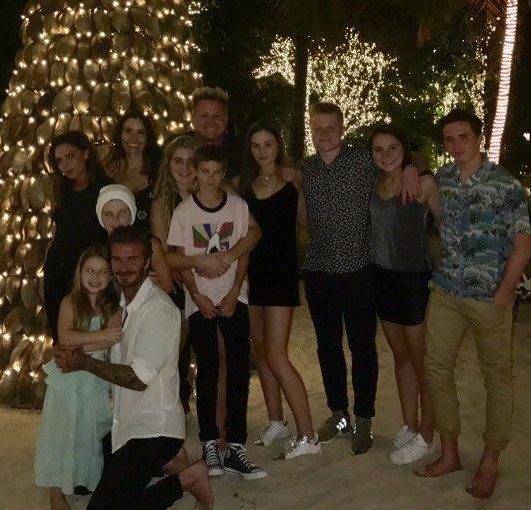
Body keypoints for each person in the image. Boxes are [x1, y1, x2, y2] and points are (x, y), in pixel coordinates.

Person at [55, 226, 213, 510]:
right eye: (118, 259)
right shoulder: (123, 304)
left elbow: (138, 379)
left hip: (153, 430)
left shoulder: (156, 310)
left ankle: (186, 479)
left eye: (132, 259)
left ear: (147, 261)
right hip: (124, 425)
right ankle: (161, 467)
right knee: (87, 483)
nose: (124, 267)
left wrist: (83, 363)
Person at [416, 109, 531, 499]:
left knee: (496, 377)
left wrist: (502, 296)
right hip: (447, 290)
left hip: (488, 297)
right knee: (435, 368)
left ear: (478, 138)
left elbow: (522, 244)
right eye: (449, 139)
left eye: (463, 137)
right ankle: (450, 450)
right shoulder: (443, 180)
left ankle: (491, 459)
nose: (456, 145)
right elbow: (420, 191)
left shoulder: (506, 185)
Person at [298, 102, 420, 455]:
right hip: (319, 269)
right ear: (310, 129)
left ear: (342, 127)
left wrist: (412, 165)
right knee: (327, 346)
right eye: (317, 128)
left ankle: (364, 416)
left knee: (363, 347)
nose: (324, 134)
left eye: (330, 127)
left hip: (359, 269)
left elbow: (406, 159)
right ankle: (339, 414)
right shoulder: (305, 168)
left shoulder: (364, 160)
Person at [167, 145, 266, 479]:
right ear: (196, 173)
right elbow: (179, 259)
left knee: (239, 368)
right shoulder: (183, 213)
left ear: (224, 173)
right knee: (207, 369)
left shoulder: (237, 207)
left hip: (233, 298)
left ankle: (235, 445)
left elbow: (248, 246)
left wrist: (236, 288)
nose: (210, 178)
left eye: (216, 171)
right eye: (204, 171)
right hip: (202, 303)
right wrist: (196, 294)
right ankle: (209, 441)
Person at [237, 120, 320, 460]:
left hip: (281, 273)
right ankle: (276, 420)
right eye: (255, 145)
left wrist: (300, 184)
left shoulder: (290, 181)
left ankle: (309, 435)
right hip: (253, 274)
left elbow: (305, 221)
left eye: (267, 144)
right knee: (260, 350)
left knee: (277, 354)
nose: (261, 151)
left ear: (277, 146)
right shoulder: (245, 185)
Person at [368, 124, 441, 465]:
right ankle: (410, 425)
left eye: (392, 148)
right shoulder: (374, 182)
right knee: (401, 358)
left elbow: (446, 226)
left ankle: (428, 435)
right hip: (382, 277)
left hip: (414, 280)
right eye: (378, 149)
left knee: (422, 362)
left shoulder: (422, 182)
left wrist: (415, 167)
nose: (385, 155)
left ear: (404, 149)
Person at [34, 246, 123, 510]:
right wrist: (102, 336)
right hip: (69, 380)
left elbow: (115, 335)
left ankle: (86, 480)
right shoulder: (70, 303)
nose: (94, 277)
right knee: (62, 432)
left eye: (102, 272)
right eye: (89, 271)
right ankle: (56, 490)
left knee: (89, 432)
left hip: (96, 378)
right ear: (80, 273)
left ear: (110, 276)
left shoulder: (113, 306)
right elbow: (66, 338)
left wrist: (100, 338)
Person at [43, 131, 111, 342]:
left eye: (70, 156)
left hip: (88, 277)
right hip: (58, 274)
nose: (65, 165)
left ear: (86, 153)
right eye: (59, 161)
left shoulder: (105, 190)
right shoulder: (65, 191)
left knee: (88, 335)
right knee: (61, 337)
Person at [151, 134, 201, 414]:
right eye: (178, 161)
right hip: (179, 286)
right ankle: (173, 408)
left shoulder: (213, 194)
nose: (185, 168)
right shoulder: (162, 202)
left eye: (191, 162)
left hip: (213, 283)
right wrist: (195, 265)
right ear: (169, 164)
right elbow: (163, 254)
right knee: (174, 352)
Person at [95, 183, 173, 294]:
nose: (115, 219)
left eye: (122, 212)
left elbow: (166, 286)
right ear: (100, 218)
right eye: (108, 214)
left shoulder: (150, 244)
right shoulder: (97, 249)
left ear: (131, 214)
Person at [105, 110, 162, 228]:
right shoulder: (110, 172)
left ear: (148, 137)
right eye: (128, 131)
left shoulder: (159, 171)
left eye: (140, 132)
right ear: (120, 135)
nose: (134, 138)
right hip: (115, 243)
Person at [190, 86, 244, 181]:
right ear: (193, 119)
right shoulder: (178, 149)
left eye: (217, 116)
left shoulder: (242, 152)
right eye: (204, 116)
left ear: (226, 119)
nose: (211, 122)